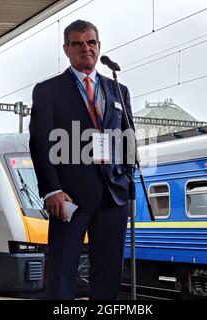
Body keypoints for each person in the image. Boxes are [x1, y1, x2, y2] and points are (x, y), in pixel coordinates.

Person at [29, 19, 134, 300]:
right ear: (66, 49)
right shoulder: (48, 90)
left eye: (90, 42)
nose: (85, 48)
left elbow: (128, 139)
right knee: (63, 271)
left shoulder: (118, 91)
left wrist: (126, 180)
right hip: (68, 198)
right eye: (77, 43)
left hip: (113, 197)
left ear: (98, 47)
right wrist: (51, 189)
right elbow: (40, 143)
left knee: (109, 272)